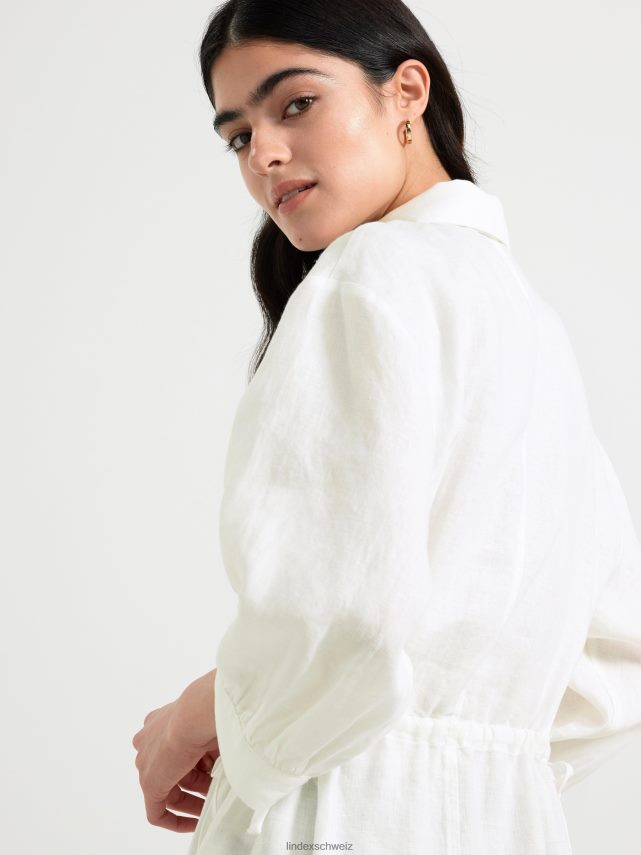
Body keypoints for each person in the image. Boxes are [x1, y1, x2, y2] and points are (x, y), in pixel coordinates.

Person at [131, 1, 641, 852]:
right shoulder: (528, 322)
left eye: (295, 103)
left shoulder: (370, 274)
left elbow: (339, 618)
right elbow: (615, 653)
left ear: (406, 91)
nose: (264, 154)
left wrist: (204, 713)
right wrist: (478, 760)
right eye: (237, 136)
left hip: (339, 813)